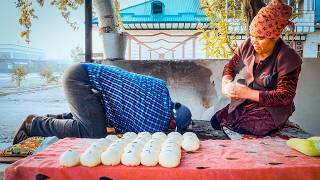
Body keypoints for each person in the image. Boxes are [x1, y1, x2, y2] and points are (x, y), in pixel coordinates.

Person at [13, 63, 192, 144]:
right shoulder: (155, 124)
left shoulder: (160, 88)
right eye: (172, 127)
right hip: (82, 81)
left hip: (81, 73)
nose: (169, 130)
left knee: (99, 120)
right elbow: (129, 136)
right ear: (173, 122)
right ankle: (34, 124)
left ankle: (52, 119)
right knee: (94, 133)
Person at [210, 0, 302, 136]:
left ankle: (279, 122)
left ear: (274, 37)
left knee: (245, 128)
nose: (254, 41)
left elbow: (285, 96)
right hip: (249, 101)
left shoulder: (287, 57)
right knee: (216, 121)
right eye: (252, 35)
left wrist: (247, 93)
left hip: (273, 108)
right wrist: (226, 84)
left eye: (260, 37)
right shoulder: (248, 45)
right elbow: (231, 67)